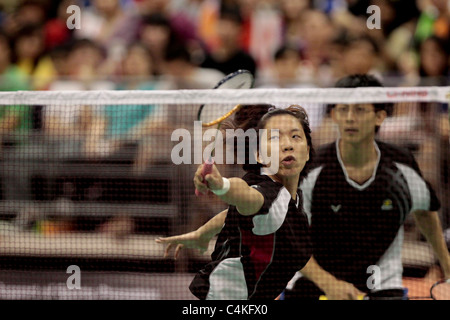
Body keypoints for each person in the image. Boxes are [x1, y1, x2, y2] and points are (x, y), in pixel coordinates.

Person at [156, 105, 362, 300]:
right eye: (274, 138)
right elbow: (245, 196)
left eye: (295, 136)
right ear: (259, 155)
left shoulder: (291, 196)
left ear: (308, 151)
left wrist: (203, 233)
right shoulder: (268, 195)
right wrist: (221, 185)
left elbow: (235, 212)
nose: (287, 144)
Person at [284, 74, 450, 300]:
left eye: (360, 110)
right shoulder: (311, 168)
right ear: (333, 115)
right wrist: (330, 284)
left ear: (380, 116)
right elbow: (291, 239)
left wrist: (447, 266)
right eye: (343, 110)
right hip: (316, 282)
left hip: (381, 285)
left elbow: (425, 212)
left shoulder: (401, 165)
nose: (350, 118)